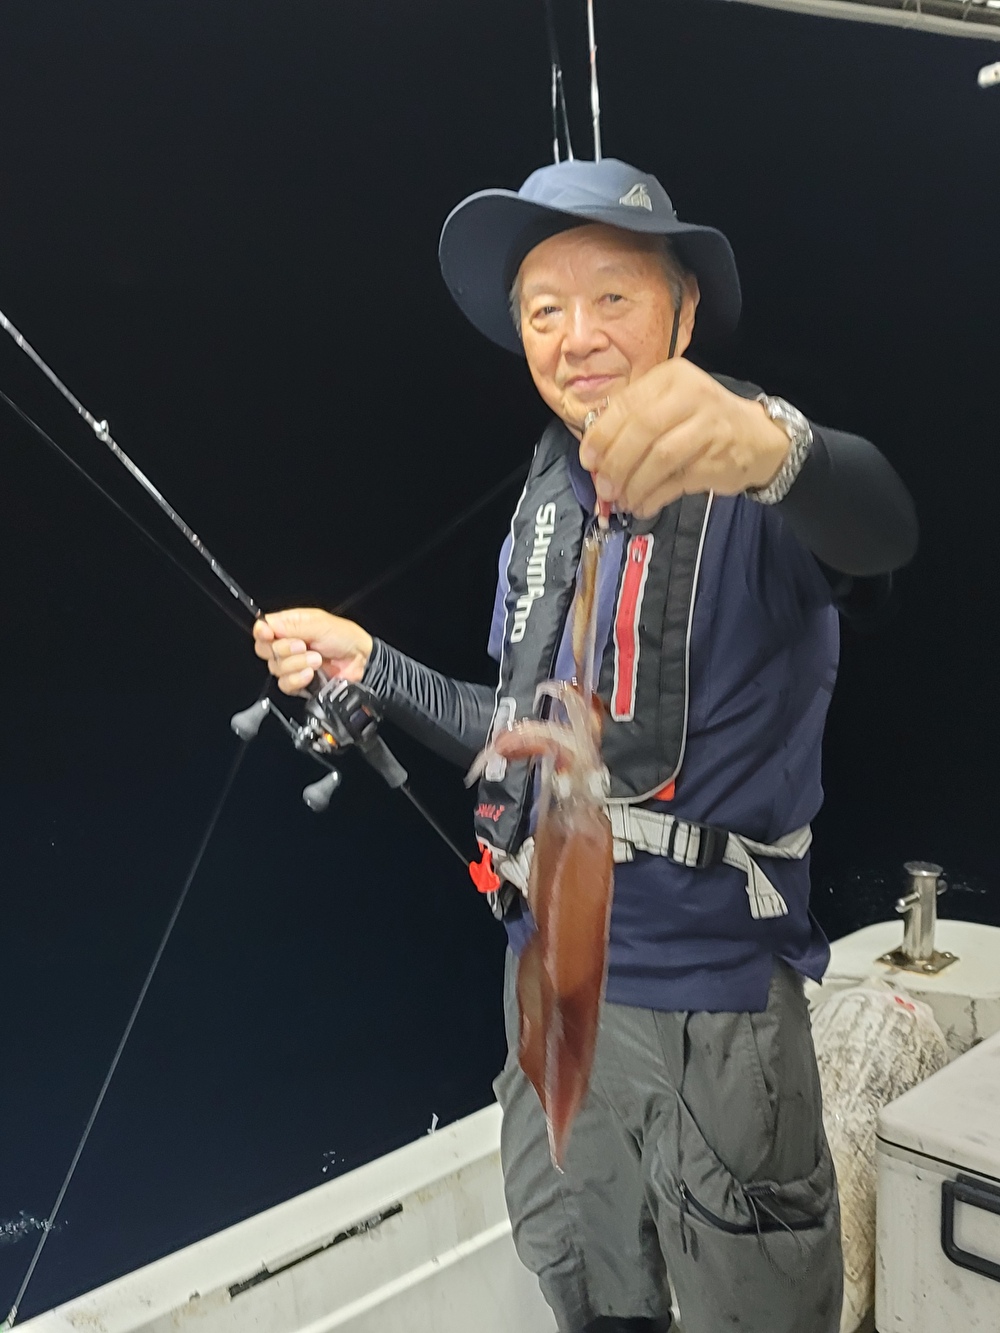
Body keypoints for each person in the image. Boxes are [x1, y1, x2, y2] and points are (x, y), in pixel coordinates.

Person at [253, 158, 917, 1333]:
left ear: (684, 312)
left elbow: (882, 530)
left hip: (712, 1013)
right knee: (591, 1293)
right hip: (551, 994)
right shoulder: (548, 499)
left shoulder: (755, 471)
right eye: (543, 309)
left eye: (613, 295)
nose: (576, 336)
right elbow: (521, 737)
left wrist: (778, 449)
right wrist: (374, 667)